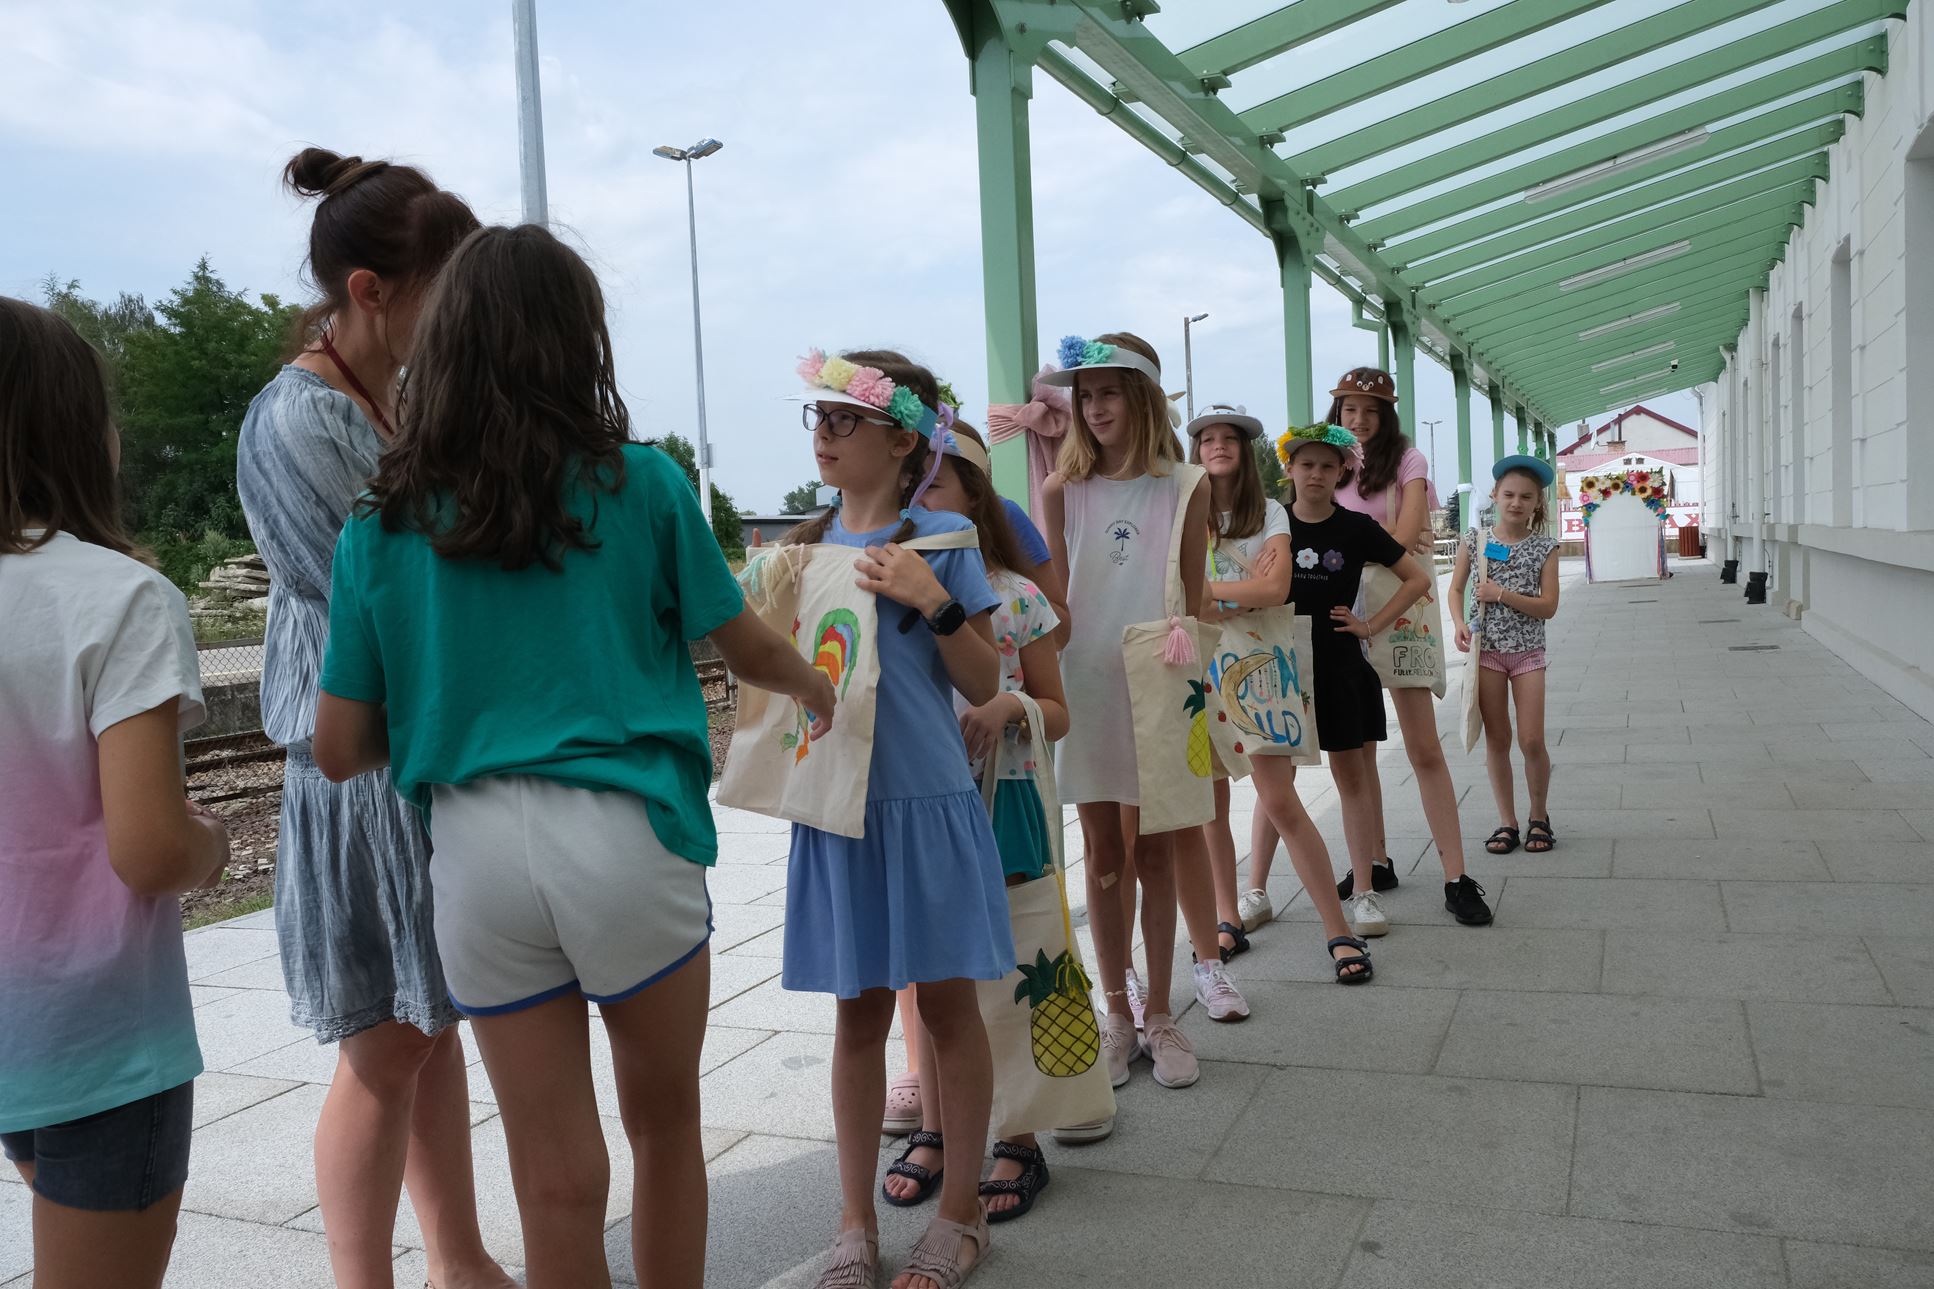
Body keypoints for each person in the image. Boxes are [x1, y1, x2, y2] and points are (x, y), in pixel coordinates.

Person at [309, 225, 833, 1287]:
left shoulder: (380, 524)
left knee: (552, 1176)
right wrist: (820, 687)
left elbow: (338, 746)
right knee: (663, 1125)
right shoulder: (642, 484)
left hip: (476, 860)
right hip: (625, 835)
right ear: (577, 341)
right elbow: (744, 646)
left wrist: (452, 696)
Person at [234, 148, 510, 1289]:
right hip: (355, 762)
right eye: (445, 294)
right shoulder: (299, 421)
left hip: (411, 750)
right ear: (370, 291)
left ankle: (457, 1258)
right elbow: (390, 596)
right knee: (385, 1044)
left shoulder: (387, 395)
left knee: (423, 1023)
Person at [0, 296, 231, 1289]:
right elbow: (151, 849)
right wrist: (213, 843)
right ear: (74, 431)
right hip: (95, 1031)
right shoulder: (121, 597)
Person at [783, 349, 1012, 1289]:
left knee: (949, 1009)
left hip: (927, 802)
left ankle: (961, 1213)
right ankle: (854, 1218)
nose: (826, 435)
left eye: (846, 419)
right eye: (820, 417)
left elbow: (985, 679)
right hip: (838, 806)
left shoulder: (947, 539)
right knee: (857, 1013)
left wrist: (936, 602)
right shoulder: (806, 544)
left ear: (903, 440)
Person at [1042, 332, 1249, 1096]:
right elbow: (1056, 600)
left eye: (1110, 392)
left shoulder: (1185, 485)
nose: (1095, 407)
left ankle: (1161, 1010)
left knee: (1158, 849)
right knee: (1102, 852)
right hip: (1087, 683)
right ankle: (1117, 1012)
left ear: (1143, 399)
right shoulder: (1061, 489)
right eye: (1084, 394)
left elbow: (1194, 599)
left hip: (1161, 684)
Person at [878, 421, 1073, 1223]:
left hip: (1005, 800)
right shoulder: (884, 581)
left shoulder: (1018, 597)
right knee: (926, 969)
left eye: (937, 483)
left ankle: (1018, 1133)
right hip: (918, 804)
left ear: (974, 497)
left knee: (1005, 965)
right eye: (912, 484)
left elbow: (1058, 710)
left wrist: (1008, 706)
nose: (919, 497)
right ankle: (937, 1124)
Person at [1248, 369, 1494, 932]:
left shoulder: (1405, 460)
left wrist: (1359, 543)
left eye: (1371, 410)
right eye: (1349, 408)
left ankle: (1455, 876)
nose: (1359, 419)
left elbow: (1405, 537)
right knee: (1349, 752)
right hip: (1330, 621)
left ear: (1387, 416)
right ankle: (1373, 865)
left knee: (1422, 747)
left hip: (1392, 614)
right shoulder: (1316, 471)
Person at [1185, 404, 1290, 953]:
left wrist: (1212, 596)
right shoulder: (1183, 513)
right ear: (1196, 451)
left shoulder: (1270, 512)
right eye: (1208, 439)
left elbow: (1275, 590)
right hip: (1199, 665)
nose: (1219, 446)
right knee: (1210, 802)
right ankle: (1227, 917)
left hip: (1258, 667)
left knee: (1279, 795)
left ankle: (1333, 925)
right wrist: (1234, 599)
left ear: (1245, 451)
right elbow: (1180, 594)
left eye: (1230, 438)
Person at [1451, 456, 1562, 857]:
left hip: (1529, 653)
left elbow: (1548, 606)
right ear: (1495, 495)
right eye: (1509, 494)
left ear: (1537, 503)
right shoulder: (1474, 540)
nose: (1516, 502)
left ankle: (1539, 816)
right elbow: (1456, 589)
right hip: (1487, 653)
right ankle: (1507, 821)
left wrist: (1501, 594)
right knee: (1497, 738)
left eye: (1526, 497)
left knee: (1532, 739)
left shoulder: (1545, 547)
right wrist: (1458, 623)